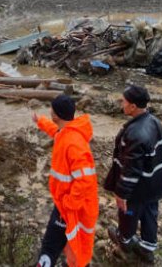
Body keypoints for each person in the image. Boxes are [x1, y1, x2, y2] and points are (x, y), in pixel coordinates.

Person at [104, 85, 162, 264]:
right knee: (150, 214)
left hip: (139, 188)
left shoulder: (135, 133)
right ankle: (148, 247)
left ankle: (124, 239)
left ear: (133, 106)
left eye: (123, 101)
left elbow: (131, 169)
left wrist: (122, 193)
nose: (121, 104)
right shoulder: (154, 122)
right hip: (155, 184)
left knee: (128, 213)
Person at [33, 95, 99, 267]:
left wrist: (70, 203)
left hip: (72, 207)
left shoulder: (73, 143)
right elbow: (55, 130)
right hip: (67, 203)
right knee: (72, 243)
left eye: (51, 110)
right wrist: (40, 121)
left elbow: (85, 180)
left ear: (55, 115)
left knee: (53, 246)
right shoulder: (67, 131)